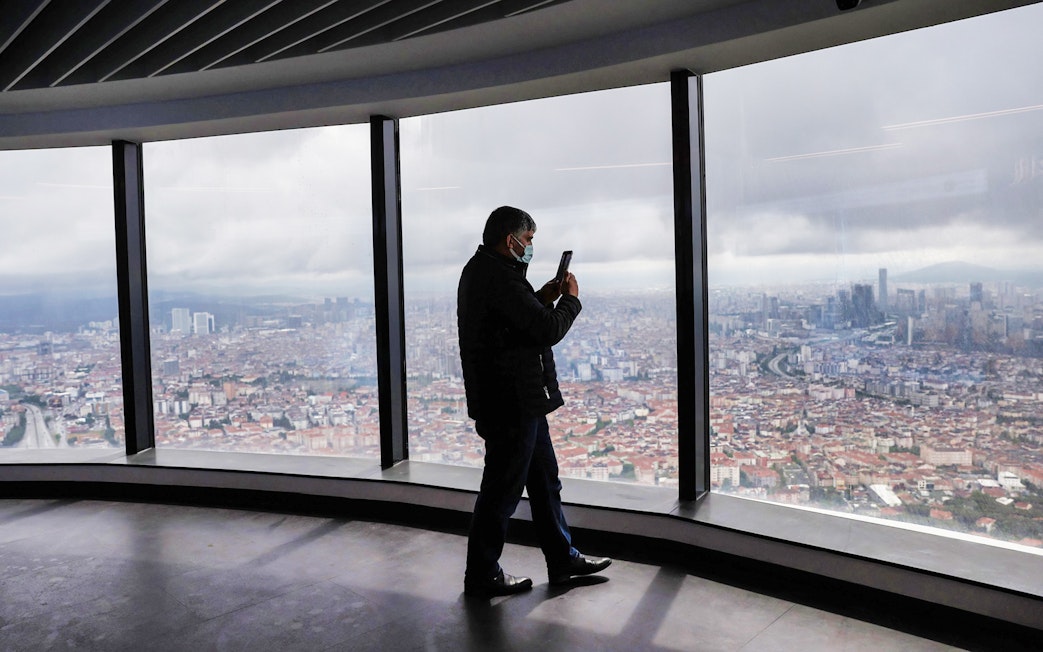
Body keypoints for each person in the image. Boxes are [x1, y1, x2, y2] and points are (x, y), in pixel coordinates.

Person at [457, 205, 611, 597]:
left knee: (544, 482)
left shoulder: (488, 271)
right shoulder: (500, 278)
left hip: (519, 400)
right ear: (511, 240)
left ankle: (563, 559)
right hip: (511, 402)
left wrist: (543, 294)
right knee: (502, 489)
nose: (530, 247)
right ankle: (483, 573)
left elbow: (515, 324)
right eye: (527, 241)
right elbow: (546, 329)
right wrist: (570, 300)